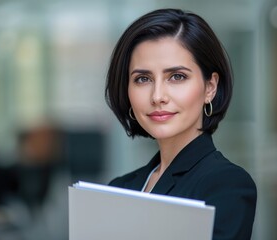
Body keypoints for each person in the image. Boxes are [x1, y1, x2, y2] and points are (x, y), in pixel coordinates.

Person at [105, 8, 257, 239]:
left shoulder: (227, 185)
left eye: (177, 76)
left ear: (210, 87)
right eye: (143, 79)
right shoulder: (118, 189)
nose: (157, 96)